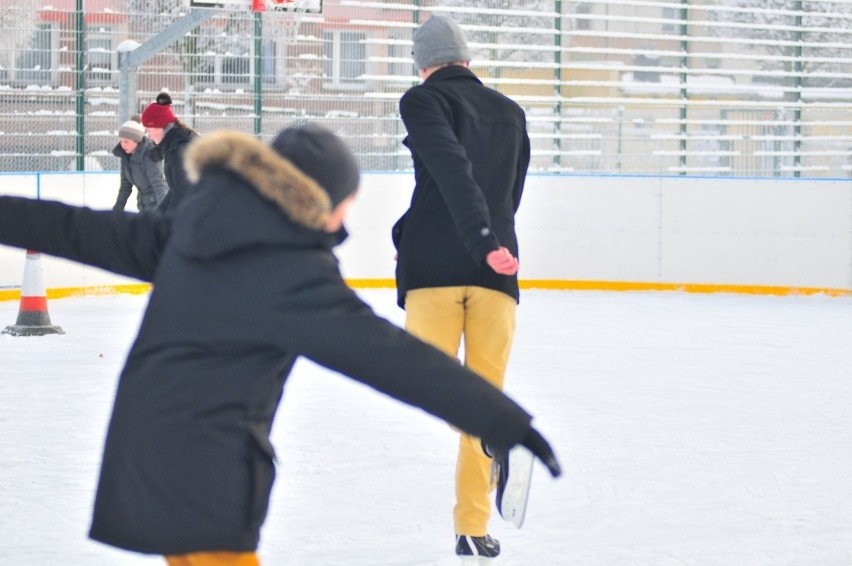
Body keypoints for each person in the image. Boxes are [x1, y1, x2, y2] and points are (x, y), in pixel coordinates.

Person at [0, 123, 559, 566]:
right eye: (347, 200)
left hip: (144, 452)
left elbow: (67, 227)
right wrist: (504, 420)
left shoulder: (184, 233)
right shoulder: (293, 274)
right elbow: (395, 360)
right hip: (210, 472)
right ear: (318, 200)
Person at [392, 15, 532, 560]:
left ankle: (492, 437)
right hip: (499, 268)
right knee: (484, 394)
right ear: (467, 60)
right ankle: (473, 527)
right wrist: (492, 245)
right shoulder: (512, 112)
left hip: (436, 266)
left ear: (424, 65)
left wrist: (472, 239)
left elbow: (450, 170)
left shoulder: (422, 100)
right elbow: (511, 193)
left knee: (432, 384)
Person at [140, 92, 199, 213]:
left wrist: (165, 225)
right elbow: (174, 191)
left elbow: (183, 193)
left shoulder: (180, 150)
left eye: (149, 130)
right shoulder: (172, 146)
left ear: (161, 126)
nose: (149, 136)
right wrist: (156, 218)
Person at [112, 117, 169, 213]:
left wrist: (163, 213)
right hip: (143, 204)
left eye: (126, 141)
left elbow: (159, 186)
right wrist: (117, 210)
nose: (123, 145)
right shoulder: (126, 156)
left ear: (137, 141)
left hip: (158, 204)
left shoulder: (150, 155)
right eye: (121, 141)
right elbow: (125, 186)